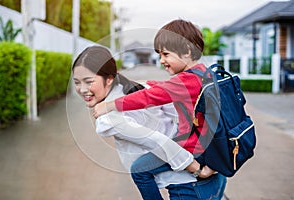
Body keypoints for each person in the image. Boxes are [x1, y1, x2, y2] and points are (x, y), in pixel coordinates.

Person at [93, 19, 227, 199]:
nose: (162, 60)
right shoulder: (204, 73)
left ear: (187, 51)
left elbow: (149, 97)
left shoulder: (185, 81)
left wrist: (109, 105)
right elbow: (166, 87)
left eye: (165, 54)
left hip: (195, 146)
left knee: (139, 170)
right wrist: (149, 83)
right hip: (212, 144)